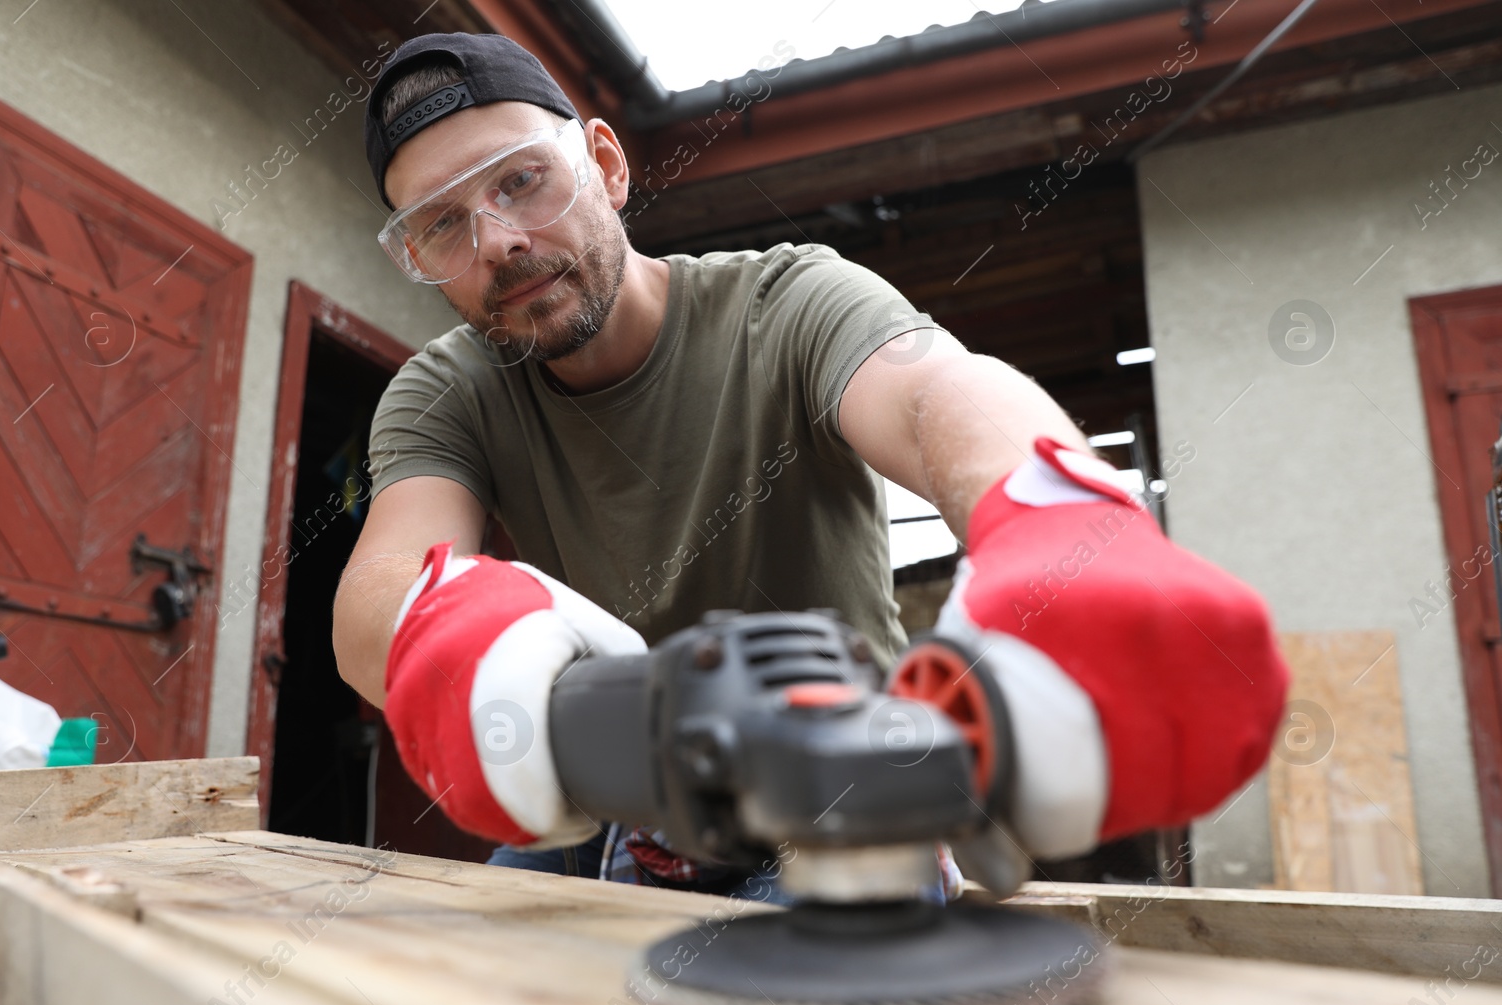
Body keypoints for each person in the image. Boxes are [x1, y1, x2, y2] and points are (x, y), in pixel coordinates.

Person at [333, 33, 1288, 896]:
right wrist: (439, 625)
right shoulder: (445, 393)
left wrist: (1054, 510)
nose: (498, 240)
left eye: (519, 180)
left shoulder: (788, 302)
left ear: (606, 165)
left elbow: (931, 396)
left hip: (847, 791)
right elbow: (380, 584)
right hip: (612, 790)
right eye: (442, 226)